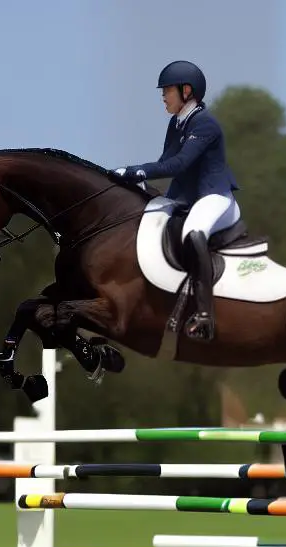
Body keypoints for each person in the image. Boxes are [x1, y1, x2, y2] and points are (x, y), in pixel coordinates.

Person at [111, 60, 240, 342]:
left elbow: (179, 164)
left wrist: (136, 170)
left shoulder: (205, 124)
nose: (162, 96)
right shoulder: (176, 122)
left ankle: (206, 315)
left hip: (213, 197)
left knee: (194, 233)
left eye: (167, 90)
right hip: (183, 198)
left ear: (186, 91)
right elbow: (164, 162)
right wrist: (137, 182)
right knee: (142, 220)